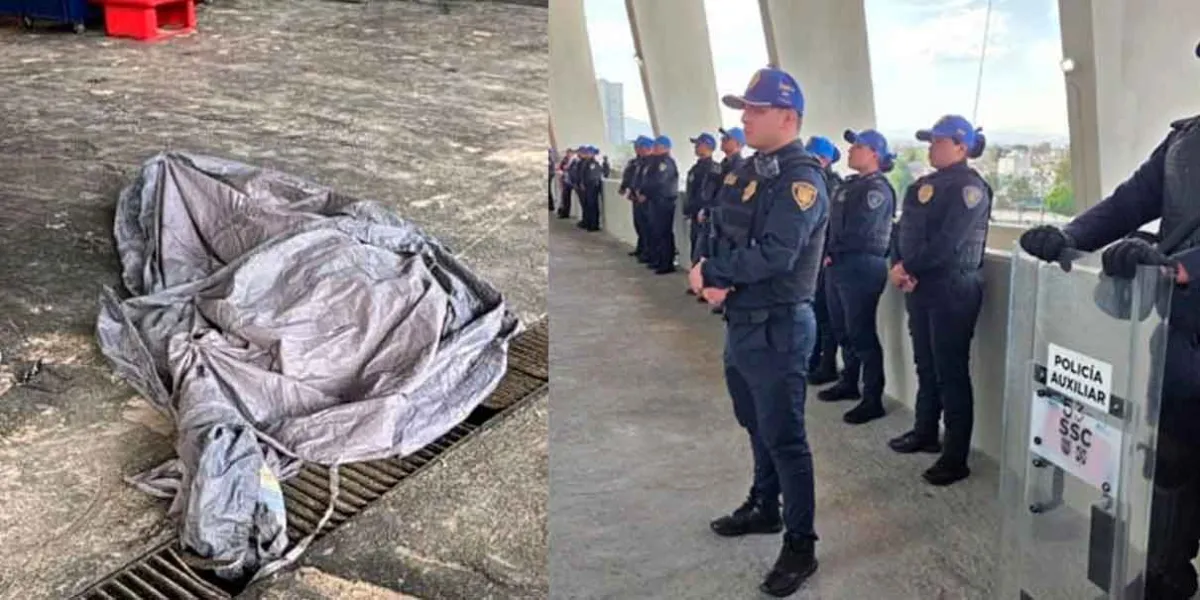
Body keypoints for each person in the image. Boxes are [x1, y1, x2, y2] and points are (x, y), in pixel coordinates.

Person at [1017, 48, 1200, 593]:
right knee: (1170, 464)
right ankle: (1169, 573)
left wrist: (1182, 269)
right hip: (1179, 334)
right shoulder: (1185, 139)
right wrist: (1071, 238)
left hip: (1184, 291)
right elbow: (1128, 203)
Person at [691, 66, 829, 598]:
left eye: (756, 109)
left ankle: (801, 545)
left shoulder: (801, 179)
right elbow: (717, 225)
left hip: (778, 325)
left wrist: (718, 276)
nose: (744, 117)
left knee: (787, 438)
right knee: (754, 422)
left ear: (788, 117)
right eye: (743, 108)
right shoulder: (749, 169)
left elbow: (778, 253)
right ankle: (763, 506)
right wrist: (706, 267)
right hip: (742, 321)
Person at [886, 115, 991, 486]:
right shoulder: (923, 185)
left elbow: (949, 242)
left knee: (951, 372)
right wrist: (898, 264)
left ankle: (955, 456)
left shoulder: (970, 188)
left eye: (939, 141)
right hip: (921, 285)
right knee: (926, 364)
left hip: (953, 288)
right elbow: (903, 229)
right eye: (930, 140)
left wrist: (906, 267)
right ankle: (925, 431)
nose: (931, 146)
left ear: (962, 147)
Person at [818, 129, 897, 425]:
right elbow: (830, 223)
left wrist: (831, 250)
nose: (850, 152)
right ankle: (849, 382)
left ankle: (872, 398)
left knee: (861, 332)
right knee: (841, 329)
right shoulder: (848, 185)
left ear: (874, 154)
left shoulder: (877, 189)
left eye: (858, 148)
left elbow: (860, 229)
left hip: (862, 265)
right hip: (838, 264)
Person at [802, 136, 844, 385]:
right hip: (811, 258)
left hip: (825, 258)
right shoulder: (809, 180)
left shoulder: (832, 184)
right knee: (813, 312)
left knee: (825, 316)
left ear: (825, 160)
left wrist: (827, 252)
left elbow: (831, 224)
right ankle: (812, 359)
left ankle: (826, 364)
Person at [683, 132, 723, 293]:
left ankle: (705, 285)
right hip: (695, 214)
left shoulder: (714, 169)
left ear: (708, 147)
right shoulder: (696, 168)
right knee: (695, 247)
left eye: (698, 144)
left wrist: (705, 210)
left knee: (704, 251)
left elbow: (712, 194)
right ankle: (697, 283)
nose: (696, 147)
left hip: (705, 216)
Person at [642, 135, 679, 274]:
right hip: (655, 200)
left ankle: (666, 263)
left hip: (663, 201)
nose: (654, 149)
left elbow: (658, 181)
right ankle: (658, 259)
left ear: (664, 148)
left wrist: (645, 192)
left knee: (663, 233)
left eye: (657, 146)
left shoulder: (666, 162)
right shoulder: (655, 162)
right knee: (655, 231)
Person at [626, 137, 655, 261]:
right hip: (637, 197)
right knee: (639, 225)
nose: (636, 149)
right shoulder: (638, 162)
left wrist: (644, 194)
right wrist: (631, 190)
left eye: (639, 146)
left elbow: (652, 182)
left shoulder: (652, 163)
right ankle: (642, 248)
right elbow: (633, 178)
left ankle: (648, 252)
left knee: (648, 227)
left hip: (647, 199)